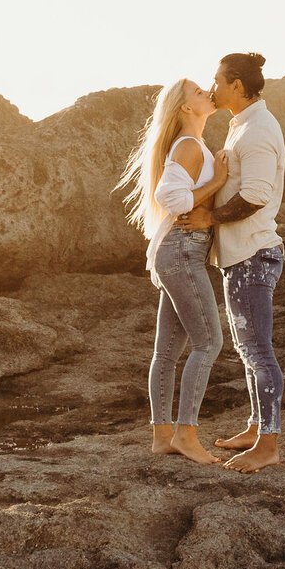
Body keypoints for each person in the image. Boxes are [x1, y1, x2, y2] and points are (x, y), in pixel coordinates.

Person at [180, 51, 285, 473]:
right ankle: (255, 425)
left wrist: (210, 216)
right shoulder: (243, 125)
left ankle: (268, 445)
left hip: (253, 254)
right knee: (248, 350)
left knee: (258, 351)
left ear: (237, 86)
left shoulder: (258, 129)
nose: (212, 89)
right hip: (241, 254)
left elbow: (257, 194)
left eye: (219, 82)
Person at [119, 78, 227, 466]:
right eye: (199, 92)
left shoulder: (191, 144)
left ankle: (161, 436)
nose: (207, 94)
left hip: (176, 253)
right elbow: (174, 199)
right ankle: (186, 434)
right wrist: (216, 182)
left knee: (166, 352)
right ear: (185, 108)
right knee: (209, 343)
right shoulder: (188, 146)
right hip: (182, 252)